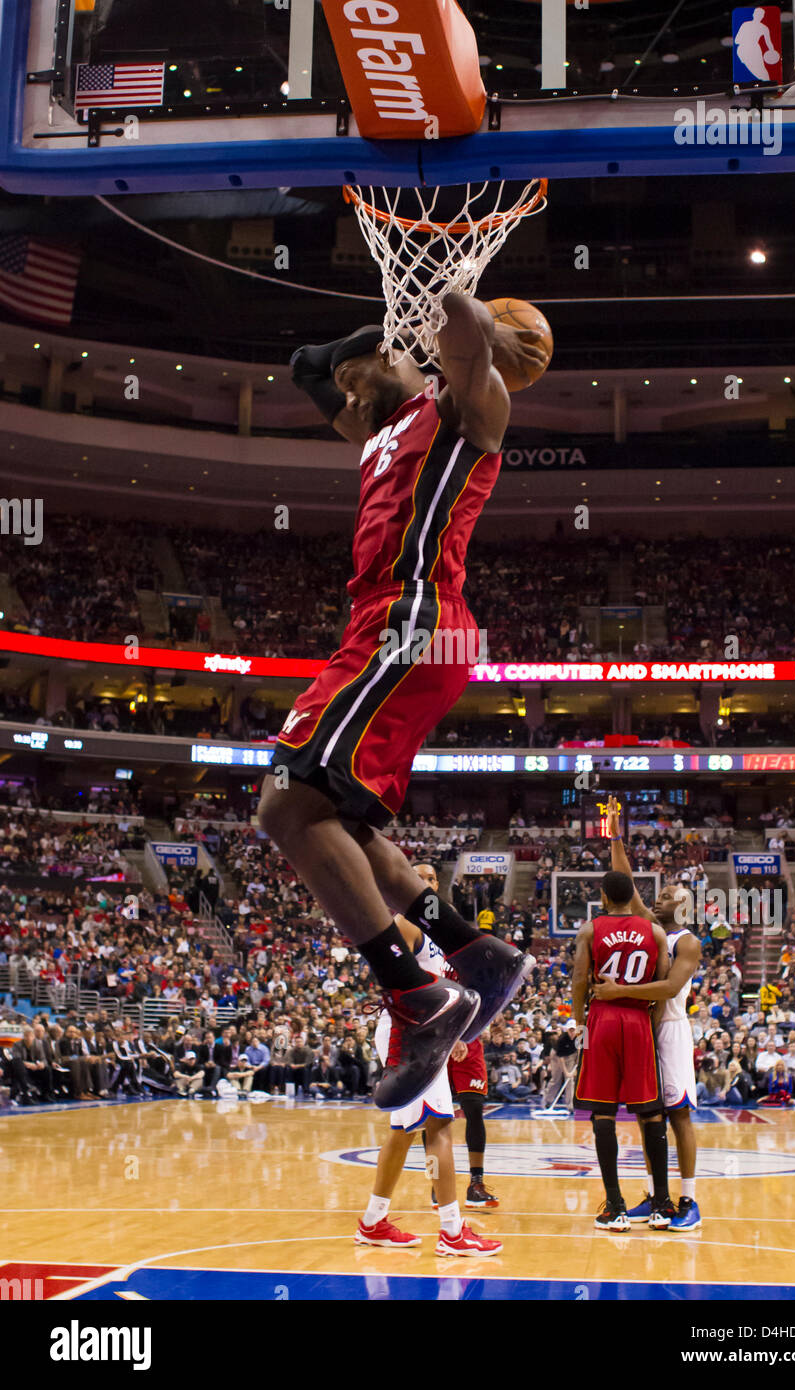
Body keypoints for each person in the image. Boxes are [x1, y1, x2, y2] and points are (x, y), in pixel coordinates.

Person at [257, 297, 547, 1112]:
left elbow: (463, 341)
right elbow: (307, 368)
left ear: (404, 356)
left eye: (361, 378)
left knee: (286, 801)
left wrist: (447, 300)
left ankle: (418, 993)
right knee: (341, 822)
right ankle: (472, 952)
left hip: (412, 620)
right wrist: (360, 355)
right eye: (345, 389)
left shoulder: (462, 404)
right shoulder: (373, 429)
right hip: (388, 629)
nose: (344, 397)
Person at [356, 901, 502, 1258]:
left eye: (433, 879)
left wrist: (455, 1035)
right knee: (439, 1125)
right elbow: (388, 970)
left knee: (404, 1131)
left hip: (428, 1031)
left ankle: (373, 1222)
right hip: (411, 1032)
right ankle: (452, 1232)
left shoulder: (444, 936)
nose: (428, 885)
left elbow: (445, 992)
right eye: (420, 878)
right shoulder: (405, 925)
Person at [594, 808, 703, 1231]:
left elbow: (670, 989)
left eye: (668, 895)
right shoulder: (652, 926)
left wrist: (618, 992)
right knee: (647, 1114)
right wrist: (616, 836)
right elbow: (628, 886)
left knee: (679, 1115)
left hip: (671, 1030)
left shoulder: (688, 942)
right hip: (642, 1030)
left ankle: (688, 1199)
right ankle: (656, 1195)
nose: (658, 898)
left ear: (685, 905)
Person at [573, 867, 673, 1232]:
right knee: (650, 1113)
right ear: (633, 895)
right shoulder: (656, 932)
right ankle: (661, 1205)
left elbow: (579, 980)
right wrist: (653, 1024)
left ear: (603, 896)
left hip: (602, 1020)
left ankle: (615, 1206)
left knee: (603, 1114)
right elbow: (662, 986)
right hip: (638, 1019)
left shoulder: (589, 929)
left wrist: (579, 1024)